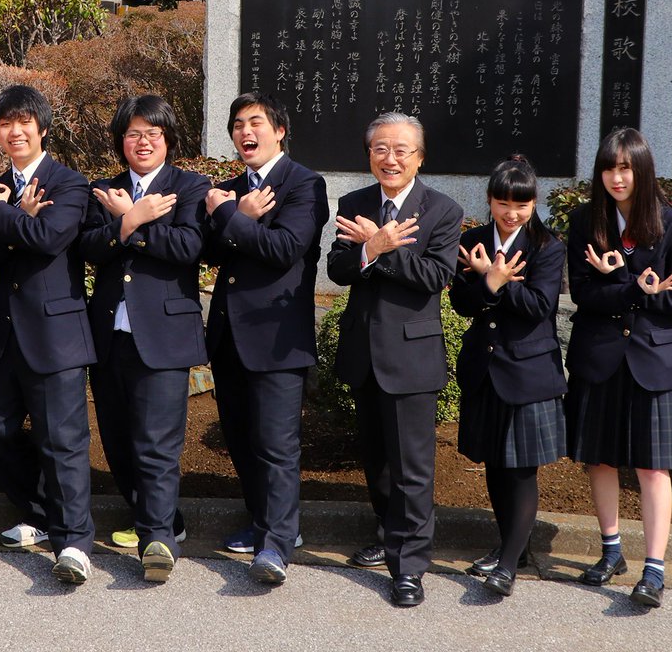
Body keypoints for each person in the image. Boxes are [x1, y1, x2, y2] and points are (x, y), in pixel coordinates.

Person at [327, 111, 462, 608]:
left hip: (411, 355)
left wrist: (380, 248)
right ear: (369, 155)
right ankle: (389, 536)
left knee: (412, 470)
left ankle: (409, 567)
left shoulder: (443, 210)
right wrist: (366, 252)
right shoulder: (353, 203)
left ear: (419, 158)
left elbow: (434, 275)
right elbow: (339, 269)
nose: (391, 158)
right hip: (364, 352)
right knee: (378, 462)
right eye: (380, 148)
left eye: (402, 150)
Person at [565, 127, 672, 609]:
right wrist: (636, 286)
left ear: (642, 170)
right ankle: (612, 551)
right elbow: (584, 294)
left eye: (625, 168)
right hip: (600, 357)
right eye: (609, 167)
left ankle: (655, 569)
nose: (616, 178)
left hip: (653, 361)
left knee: (651, 466)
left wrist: (623, 282)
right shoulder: (586, 222)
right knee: (598, 458)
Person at [78, 95, 209, 582]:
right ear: (121, 142)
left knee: (157, 442)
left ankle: (156, 538)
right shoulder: (103, 190)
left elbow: (188, 247)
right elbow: (89, 247)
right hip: (110, 334)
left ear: (168, 139)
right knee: (117, 439)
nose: (143, 141)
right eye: (133, 134)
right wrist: (130, 219)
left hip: (164, 336)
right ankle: (158, 516)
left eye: (153, 133)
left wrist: (130, 221)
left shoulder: (190, 187)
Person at [203, 92, 329, 585]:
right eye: (237, 124)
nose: (244, 132)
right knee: (241, 436)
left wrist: (234, 217)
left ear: (280, 130)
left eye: (255, 122)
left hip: (277, 337)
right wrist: (236, 216)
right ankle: (262, 520)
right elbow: (207, 250)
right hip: (229, 335)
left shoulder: (304, 184)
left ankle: (277, 544)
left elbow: (285, 249)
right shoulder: (230, 188)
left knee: (277, 443)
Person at [0, 84, 98, 585]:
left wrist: (2, 215)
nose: (16, 131)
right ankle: (42, 513)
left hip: (55, 333)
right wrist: (7, 217)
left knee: (62, 441)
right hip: (5, 334)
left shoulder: (69, 183)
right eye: (6, 124)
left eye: (25, 123)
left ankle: (75, 543)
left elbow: (48, 238)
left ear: (42, 128)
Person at [449, 155, 567, 598]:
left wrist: (497, 281)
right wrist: (486, 282)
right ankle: (507, 548)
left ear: (533, 203)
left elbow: (540, 306)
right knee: (496, 464)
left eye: (521, 204)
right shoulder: (475, 239)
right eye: (502, 203)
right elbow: (462, 302)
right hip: (485, 367)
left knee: (520, 470)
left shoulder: (547, 246)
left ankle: (509, 565)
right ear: (491, 201)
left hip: (528, 370)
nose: (511, 213)